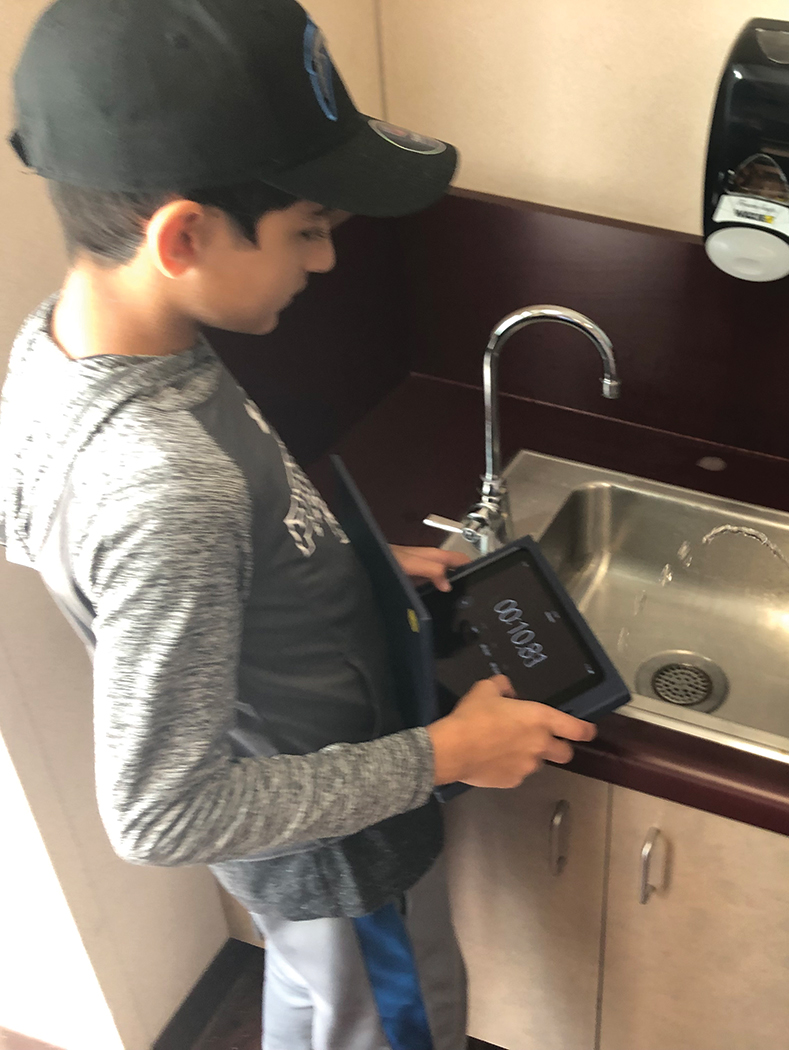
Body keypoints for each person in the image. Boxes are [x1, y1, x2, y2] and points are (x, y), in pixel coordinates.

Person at [0, 2, 596, 1048]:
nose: (323, 262)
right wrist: (445, 755)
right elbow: (160, 815)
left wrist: (344, 568)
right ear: (182, 236)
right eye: (309, 230)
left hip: (306, 855)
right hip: (344, 855)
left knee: (320, 999)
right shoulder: (163, 484)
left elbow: (63, 536)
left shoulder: (60, 346)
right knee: (388, 1019)